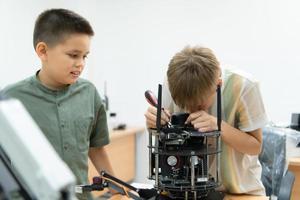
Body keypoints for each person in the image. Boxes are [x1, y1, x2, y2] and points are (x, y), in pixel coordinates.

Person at [2, 9, 115, 200]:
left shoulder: (89, 93)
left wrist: (116, 191)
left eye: (84, 56)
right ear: (43, 51)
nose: (80, 64)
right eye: (73, 55)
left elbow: (96, 148)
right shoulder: (11, 100)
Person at [144, 46, 268, 195]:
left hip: (237, 192)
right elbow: (162, 134)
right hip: (183, 191)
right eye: (184, 105)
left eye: (199, 105)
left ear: (218, 85)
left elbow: (255, 147)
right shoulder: (174, 83)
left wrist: (218, 126)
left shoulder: (243, 86)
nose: (191, 111)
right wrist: (153, 122)